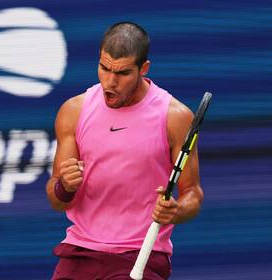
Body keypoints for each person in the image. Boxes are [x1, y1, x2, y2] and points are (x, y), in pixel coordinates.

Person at [46, 22, 203, 280]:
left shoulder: (175, 117)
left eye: (122, 73)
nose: (110, 82)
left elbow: (192, 195)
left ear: (144, 69)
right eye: (104, 68)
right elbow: (56, 199)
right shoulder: (73, 111)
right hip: (81, 250)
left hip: (140, 255)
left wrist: (175, 211)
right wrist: (65, 186)